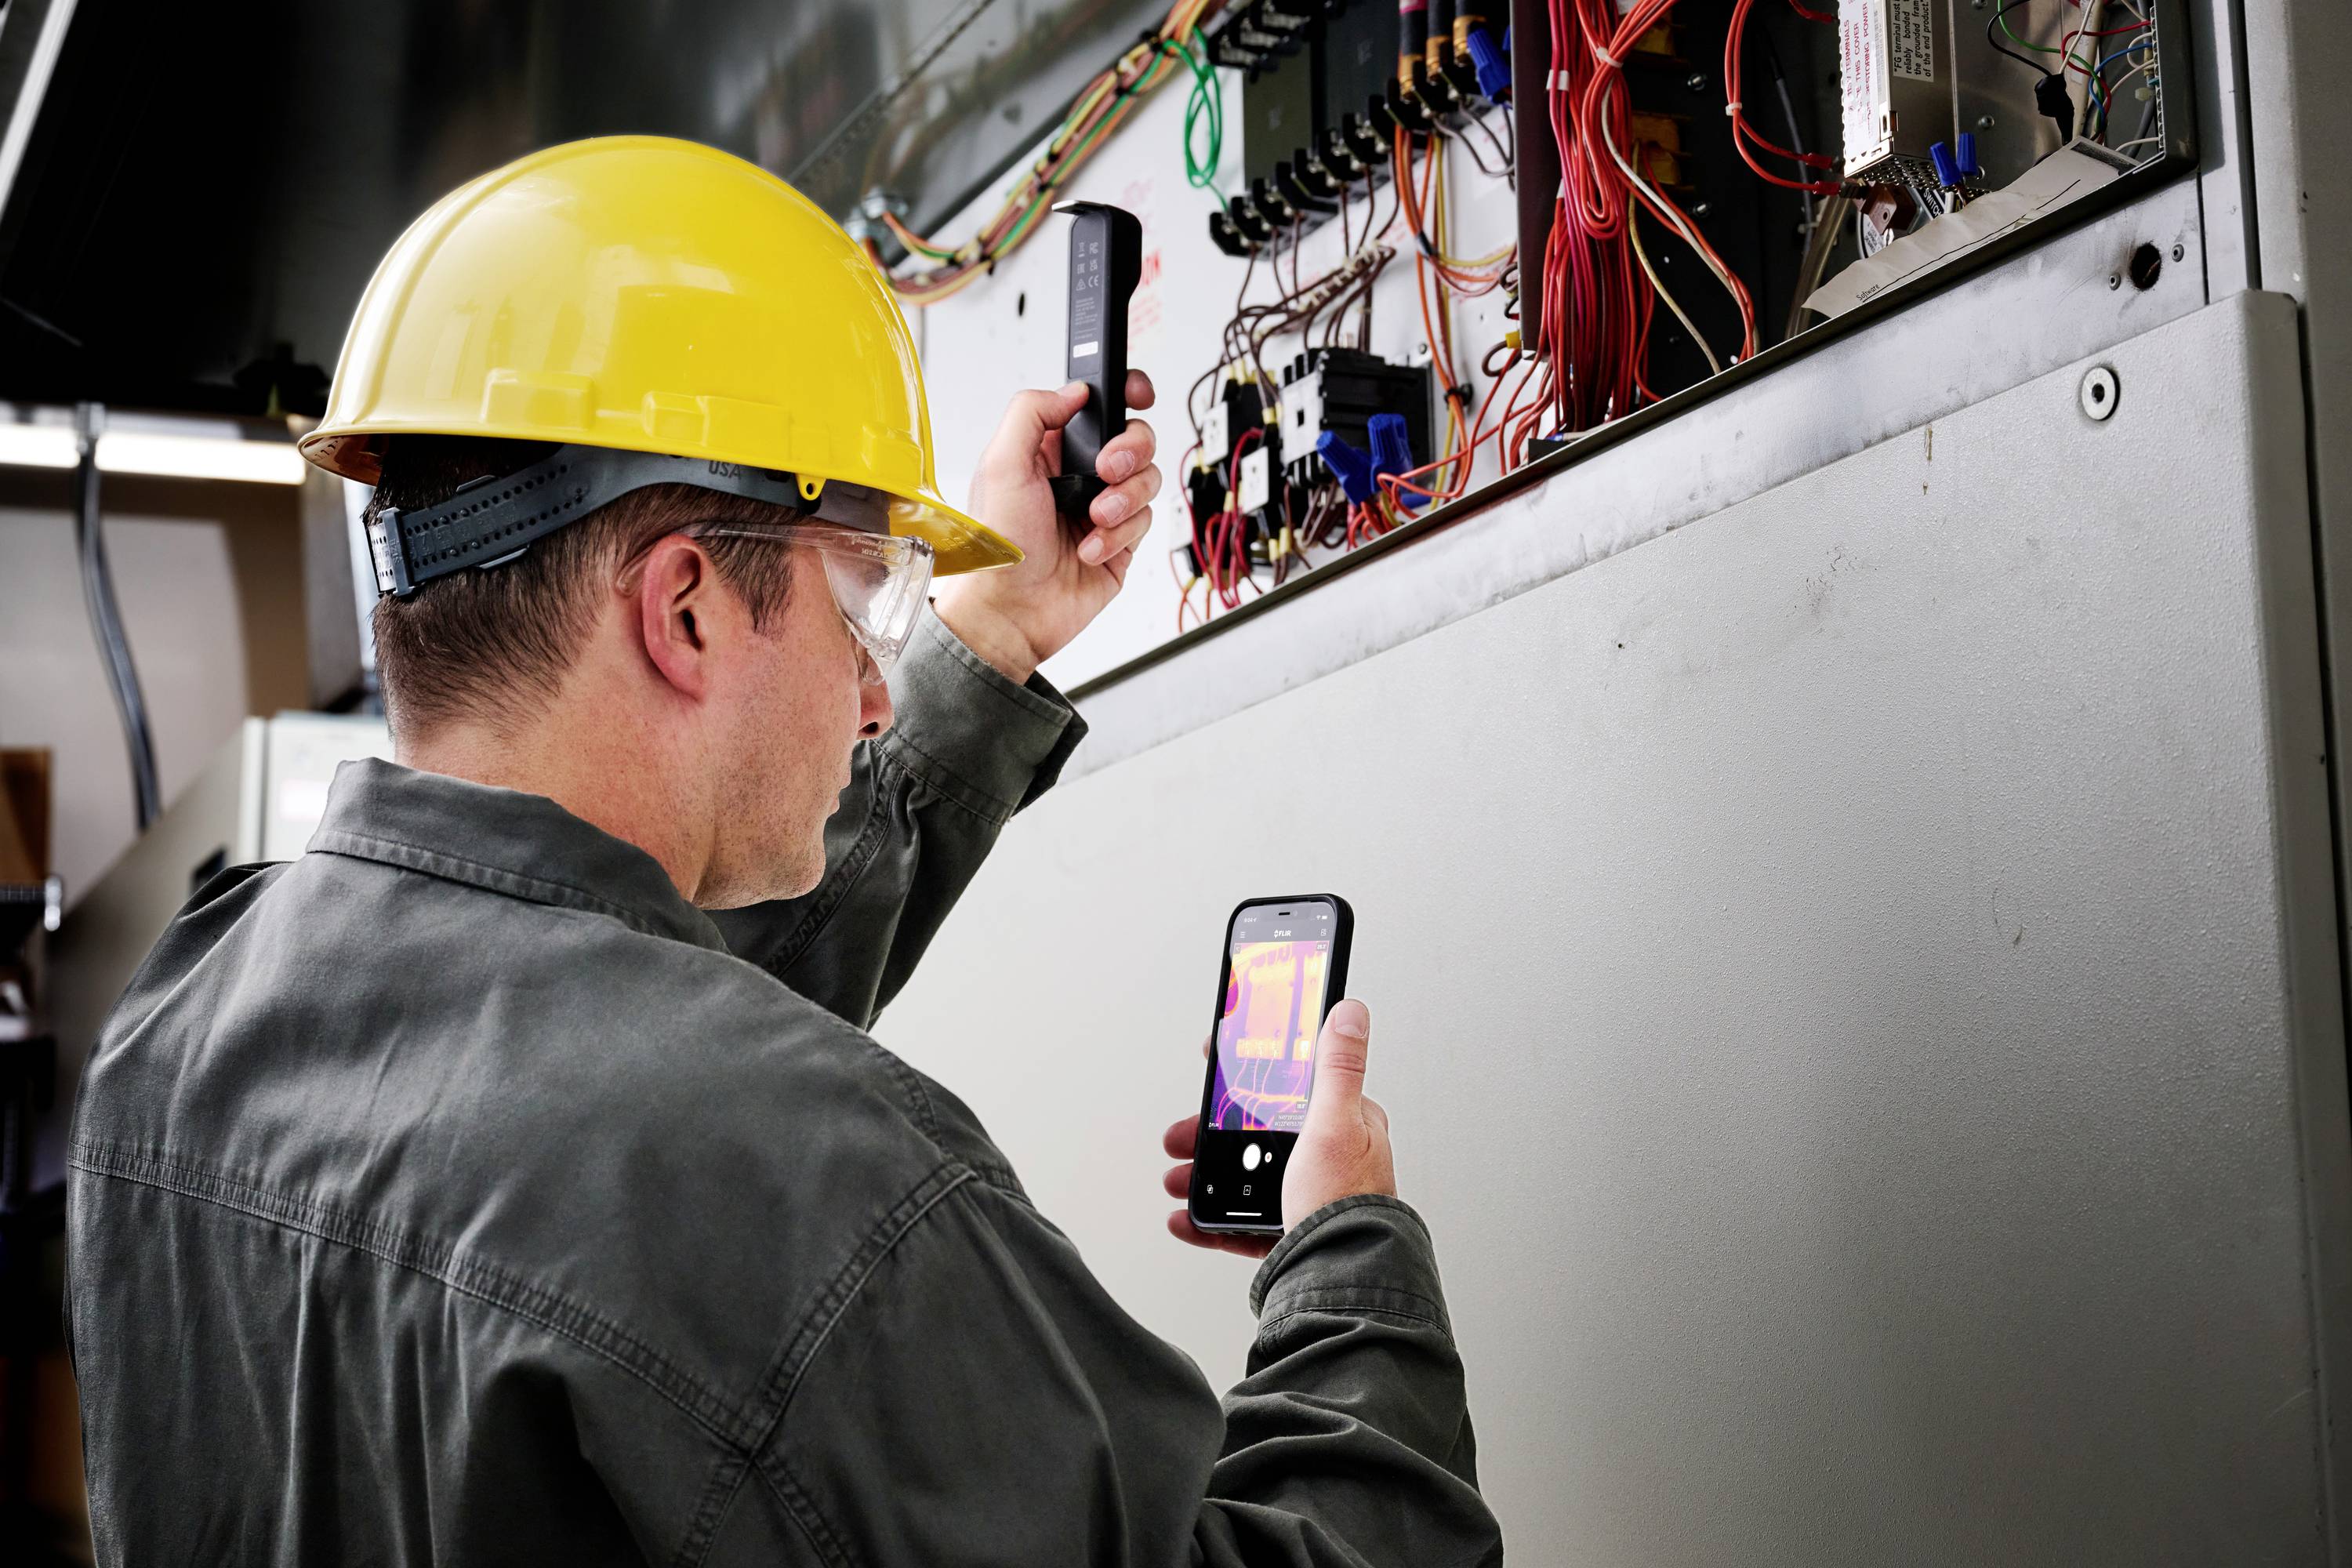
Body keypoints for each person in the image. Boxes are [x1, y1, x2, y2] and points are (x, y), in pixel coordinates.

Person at [65, 136, 1501, 1565]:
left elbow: (613, 1055)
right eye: (862, 601)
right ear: (684, 606)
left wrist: (985, 635)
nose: (877, 690)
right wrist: (1348, 1256)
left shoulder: (181, 1031)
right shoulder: (822, 1186)